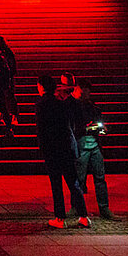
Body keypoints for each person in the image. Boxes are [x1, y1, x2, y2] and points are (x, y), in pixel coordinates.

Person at [35, 74, 89, 228]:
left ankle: (60, 218)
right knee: (74, 183)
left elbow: (41, 130)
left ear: (42, 87)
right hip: (67, 146)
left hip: (53, 149)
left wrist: (43, 148)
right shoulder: (62, 102)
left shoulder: (42, 104)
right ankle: (84, 216)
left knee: (56, 184)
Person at [73, 80, 116, 219]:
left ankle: (104, 208)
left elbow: (103, 126)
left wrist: (101, 129)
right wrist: (86, 128)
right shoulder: (74, 108)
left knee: (100, 178)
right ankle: (76, 207)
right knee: (79, 179)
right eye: (83, 92)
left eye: (87, 92)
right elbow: (73, 128)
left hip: (94, 144)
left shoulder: (94, 108)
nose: (86, 95)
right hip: (82, 143)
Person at [0, 36, 19, 128]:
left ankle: (13, 117)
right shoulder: (4, 54)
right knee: (4, 97)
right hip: (3, 79)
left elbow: (12, 68)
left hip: (7, 79)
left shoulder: (7, 54)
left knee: (9, 97)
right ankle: (2, 116)